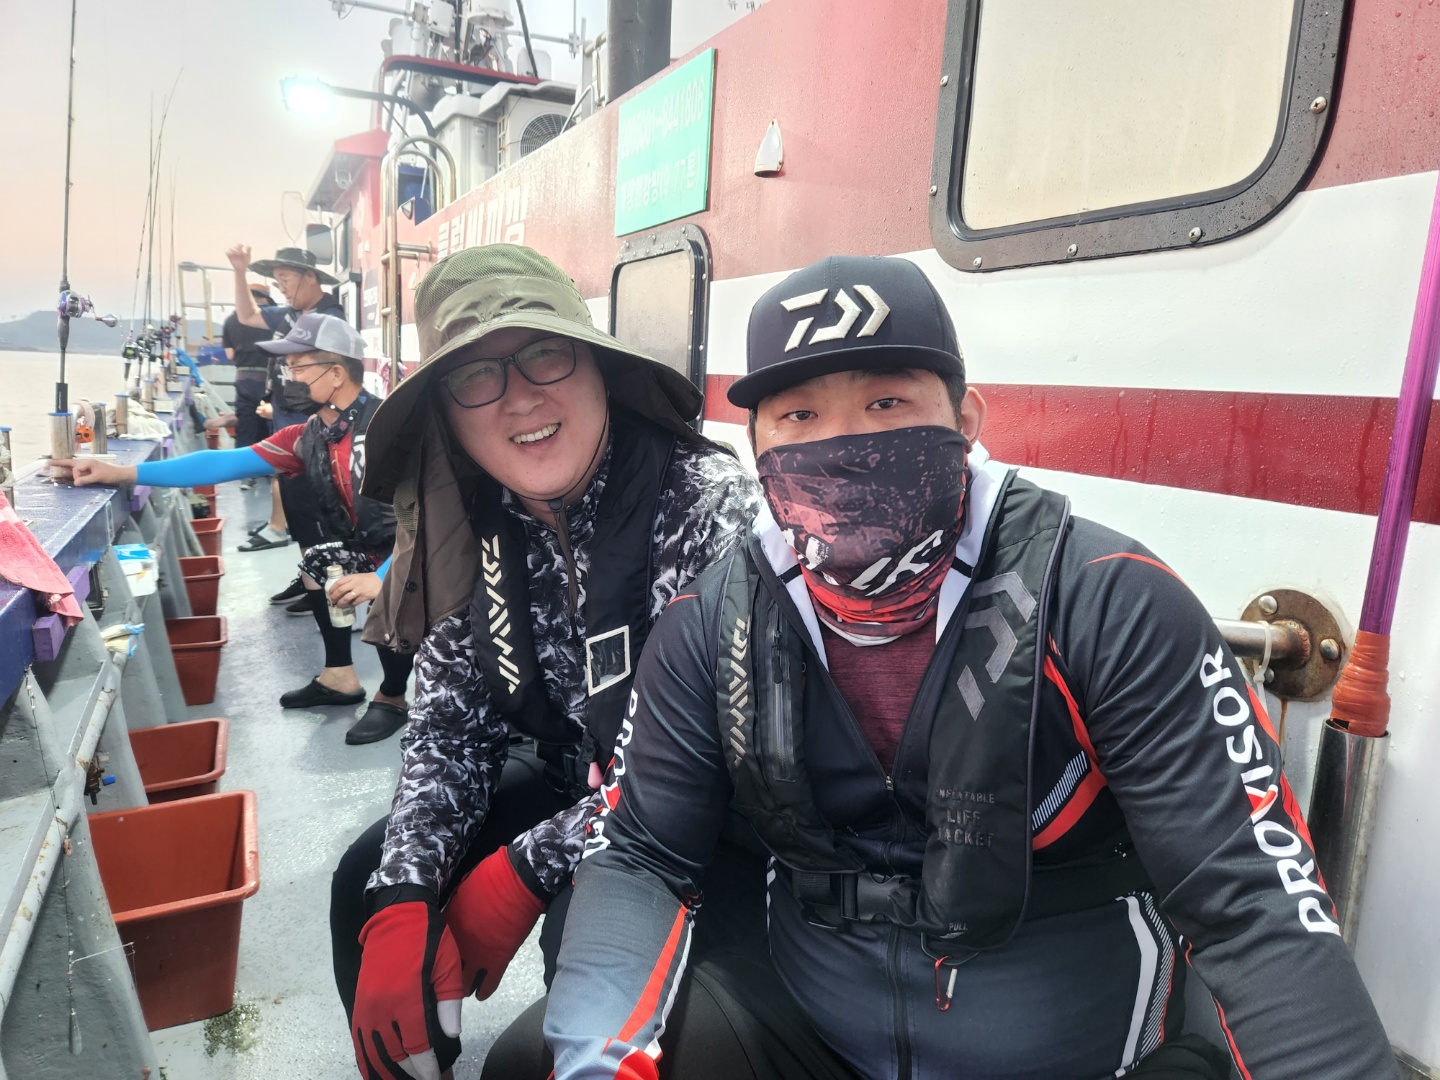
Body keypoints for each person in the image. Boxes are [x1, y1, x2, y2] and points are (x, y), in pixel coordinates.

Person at [526, 255, 1399, 1080]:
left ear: (967, 420)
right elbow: (640, 854)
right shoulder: (712, 620)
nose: (846, 444)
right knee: (533, 1058)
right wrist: (601, 1061)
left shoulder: (1110, 600)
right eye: (800, 416)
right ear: (756, 443)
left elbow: (1255, 902)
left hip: (1085, 1056)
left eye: (887, 402)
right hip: (818, 1038)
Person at [330, 244, 761, 1080]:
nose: (520, 396)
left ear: (599, 369)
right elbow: (450, 731)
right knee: (368, 882)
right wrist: (407, 894)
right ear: (448, 417)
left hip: (695, 821)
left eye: (545, 354)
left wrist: (522, 870)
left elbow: (706, 766)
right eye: (474, 376)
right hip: (569, 774)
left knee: (573, 942)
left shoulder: (706, 503)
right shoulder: (471, 524)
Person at [63, 313, 416, 745]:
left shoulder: (392, 429)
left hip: (422, 555)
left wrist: (384, 577)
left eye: (298, 367)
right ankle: (340, 677)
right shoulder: (310, 435)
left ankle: (393, 696)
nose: (288, 378)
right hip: (377, 548)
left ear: (337, 373)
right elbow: (222, 463)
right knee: (319, 562)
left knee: (392, 594)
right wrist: (121, 473)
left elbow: (437, 521)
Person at [225, 244, 346, 558]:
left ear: (310, 277)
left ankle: (318, 571)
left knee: (315, 509)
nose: (281, 287)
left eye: (286, 279)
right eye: (277, 281)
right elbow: (247, 315)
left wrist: (293, 409)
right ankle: (302, 557)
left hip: (309, 425)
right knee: (294, 496)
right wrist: (240, 271)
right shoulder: (290, 315)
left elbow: (325, 378)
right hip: (286, 419)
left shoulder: (329, 318)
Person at [222, 281, 279, 489]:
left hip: (244, 379)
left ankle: (246, 475)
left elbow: (230, 354)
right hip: (270, 380)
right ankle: (271, 469)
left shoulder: (231, 320)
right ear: (266, 298)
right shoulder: (274, 319)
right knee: (271, 424)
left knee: (246, 425)